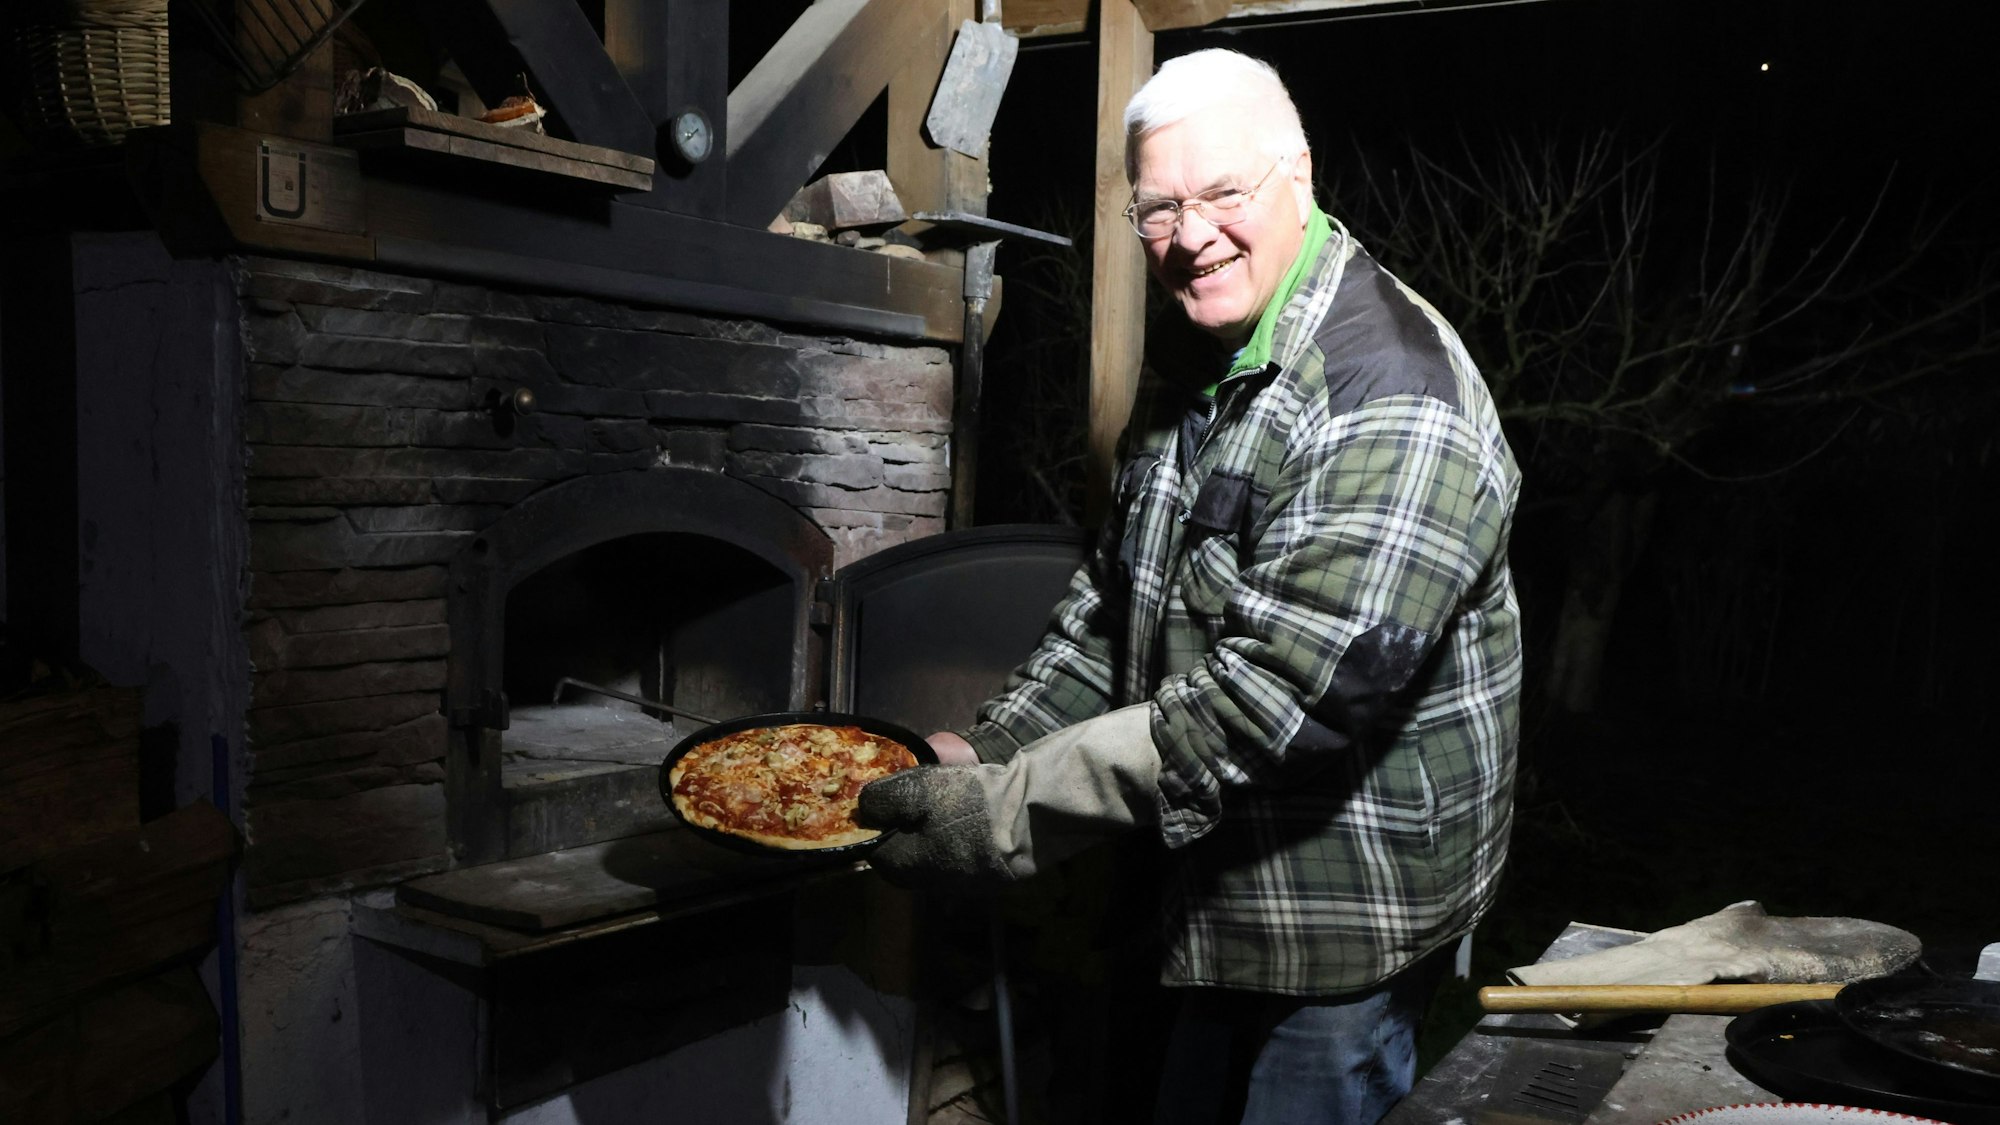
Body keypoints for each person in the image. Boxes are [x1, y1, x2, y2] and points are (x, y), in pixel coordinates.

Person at [858, 47, 1523, 1125]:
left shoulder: (1393, 399)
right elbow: (1114, 603)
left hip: (1338, 923)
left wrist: (1009, 812)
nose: (1190, 234)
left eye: (1222, 193)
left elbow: (1270, 706)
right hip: (1199, 887)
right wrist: (986, 748)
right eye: (1156, 207)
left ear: (1297, 178)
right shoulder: (1200, 350)